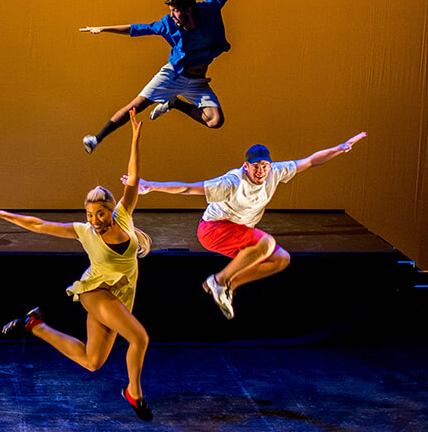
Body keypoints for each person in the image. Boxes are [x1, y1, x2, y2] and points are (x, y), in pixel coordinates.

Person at [0, 109, 154, 422]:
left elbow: (134, 180)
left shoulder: (124, 218)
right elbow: (40, 225)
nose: (95, 220)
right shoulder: (84, 231)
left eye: (100, 214)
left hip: (118, 297)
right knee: (139, 338)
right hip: (96, 293)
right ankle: (134, 393)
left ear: (111, 211)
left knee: (92, 361)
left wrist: (135, 139)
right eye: (90, 215)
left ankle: (36, 325)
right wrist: (0, 213)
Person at [132, 132, 367, 319]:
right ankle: (218, 280)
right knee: (267, 243)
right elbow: (189, 188)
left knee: (281, 259)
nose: (261, 171)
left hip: (239, 231)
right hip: (214, 229)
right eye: (256, 166)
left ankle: (228, 286)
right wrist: (153, 185)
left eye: (265, 166)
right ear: (246, 166)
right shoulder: (232, 182)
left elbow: (311, 162)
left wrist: (339, 148)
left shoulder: (276, 171)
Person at [79, 0, 263, 153]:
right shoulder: (168, 25)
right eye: (171, 11)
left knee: (215, 120)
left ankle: (175, 103)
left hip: (197, 82)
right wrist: (104, 28)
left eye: (176, 11)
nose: (172, 16)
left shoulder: (210, 9)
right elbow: (138, 29)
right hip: (174, 75)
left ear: (190, 9)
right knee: (136, 106)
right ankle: (96, 139)